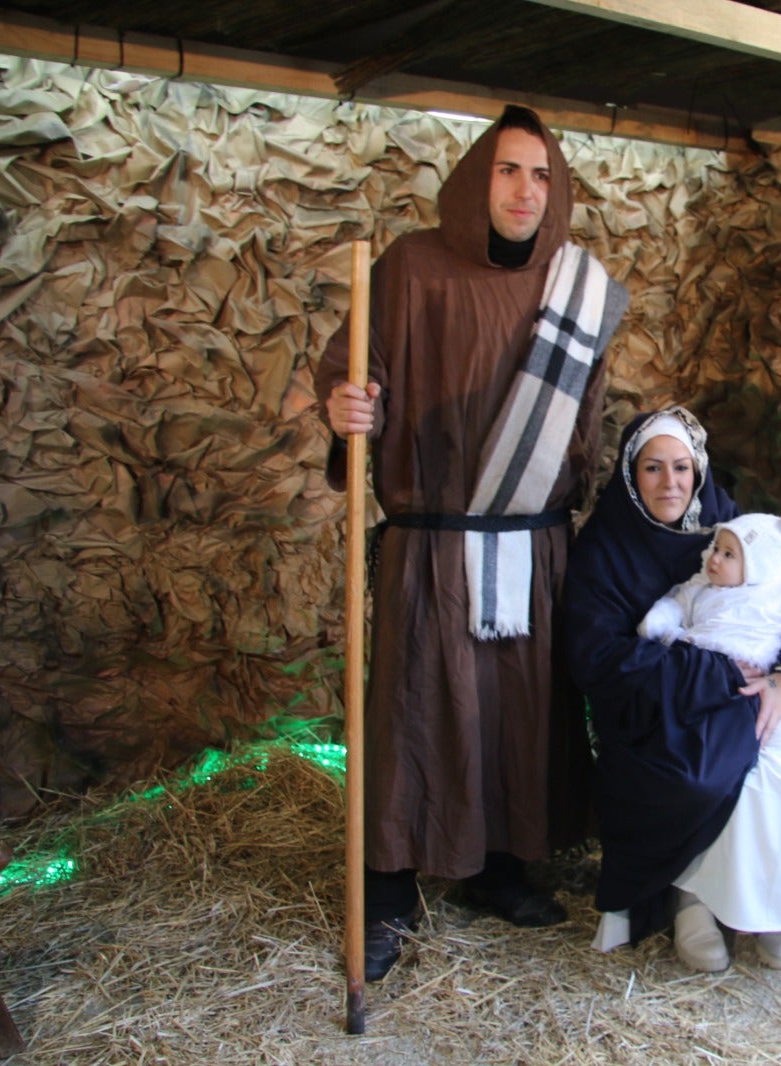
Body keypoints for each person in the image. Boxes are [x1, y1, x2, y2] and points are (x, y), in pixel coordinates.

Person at [315, 104, 628, 982]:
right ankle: (384, 891)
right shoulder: (411, 268)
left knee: (514, 714)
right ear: (474, 181)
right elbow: (353, 371)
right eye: (507, 170)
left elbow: (585, 425)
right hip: (435, 543)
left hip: (532, 543)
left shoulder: (577, 287)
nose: (526, 191)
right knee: (416, 712)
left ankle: (497, 867)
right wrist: (345, 406)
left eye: (542, 176)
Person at [563, 406, 781, 972]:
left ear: (698, 471)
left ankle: (779, 909)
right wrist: (711, 675)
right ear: (630, 473)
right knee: (711, 764)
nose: (670, 483)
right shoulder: (605, 551)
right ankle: (692, 899)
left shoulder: (734, 530)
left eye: (682, 467)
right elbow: (598, 659)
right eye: (652, 468)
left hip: (756, 692)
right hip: (659, 709)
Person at [638, 513, 781, 693]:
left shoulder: (779, 593)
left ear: (755, 566)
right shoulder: (703, 586)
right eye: (716, 548)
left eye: (728, 555)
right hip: (696, 661)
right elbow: (678, 604)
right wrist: (660, 621)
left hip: (748, 671)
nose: (715, 558)